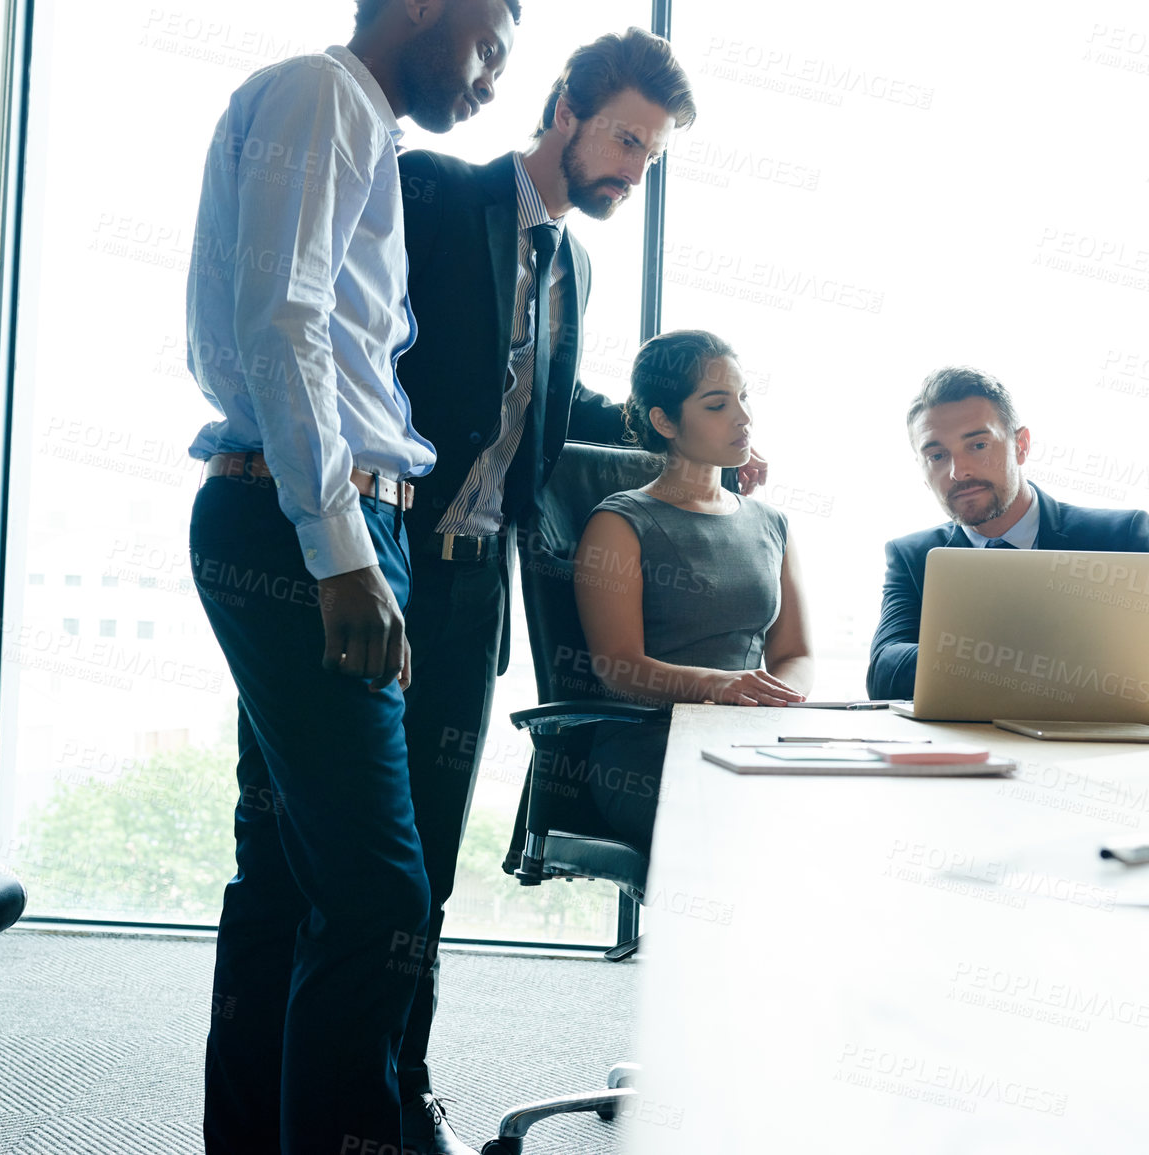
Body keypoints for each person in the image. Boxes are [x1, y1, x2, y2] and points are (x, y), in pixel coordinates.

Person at [391, 30, 765, 1153]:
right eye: (625, 140)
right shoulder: (434, 193)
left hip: (469, 599)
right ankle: (314, 1108)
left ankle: (398, 1094)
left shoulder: (574, 263)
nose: (632, 169)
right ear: (564, 109)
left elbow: (558, 397)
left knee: (420, 876)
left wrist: (683, 446)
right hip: (380, 557)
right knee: (339, 865)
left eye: (650, 155)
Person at [182, 2, 520, 1151]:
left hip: (304, 520)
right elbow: (284, 324)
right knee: (380, 899)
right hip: (310, 530)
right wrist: (339, 553)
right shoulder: (326, 97)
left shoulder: (353, 122)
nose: (491, 80)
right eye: (490, 43)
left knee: (286, 879)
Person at [573, 331, 812, 850]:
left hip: (752, 741)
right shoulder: (621, 521)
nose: (743, 418)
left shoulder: (772, 522)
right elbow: (617, 665)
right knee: (750, 832)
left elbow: (796, 654)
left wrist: (775, 701)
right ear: (664, 421)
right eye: (717, 404)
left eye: (744, 397)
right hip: (650, 752)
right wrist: (716, 685)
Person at [866, 366, 1149, 707]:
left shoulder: (1119, 536)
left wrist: (1007, 660)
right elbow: (885, 671)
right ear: (922, 468)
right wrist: (1038, 660)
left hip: (1101, 756)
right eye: (937, 455)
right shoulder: (913, 557)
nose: (959, 472)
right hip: (972, 754)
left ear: (1020, 446)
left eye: (978, 446)